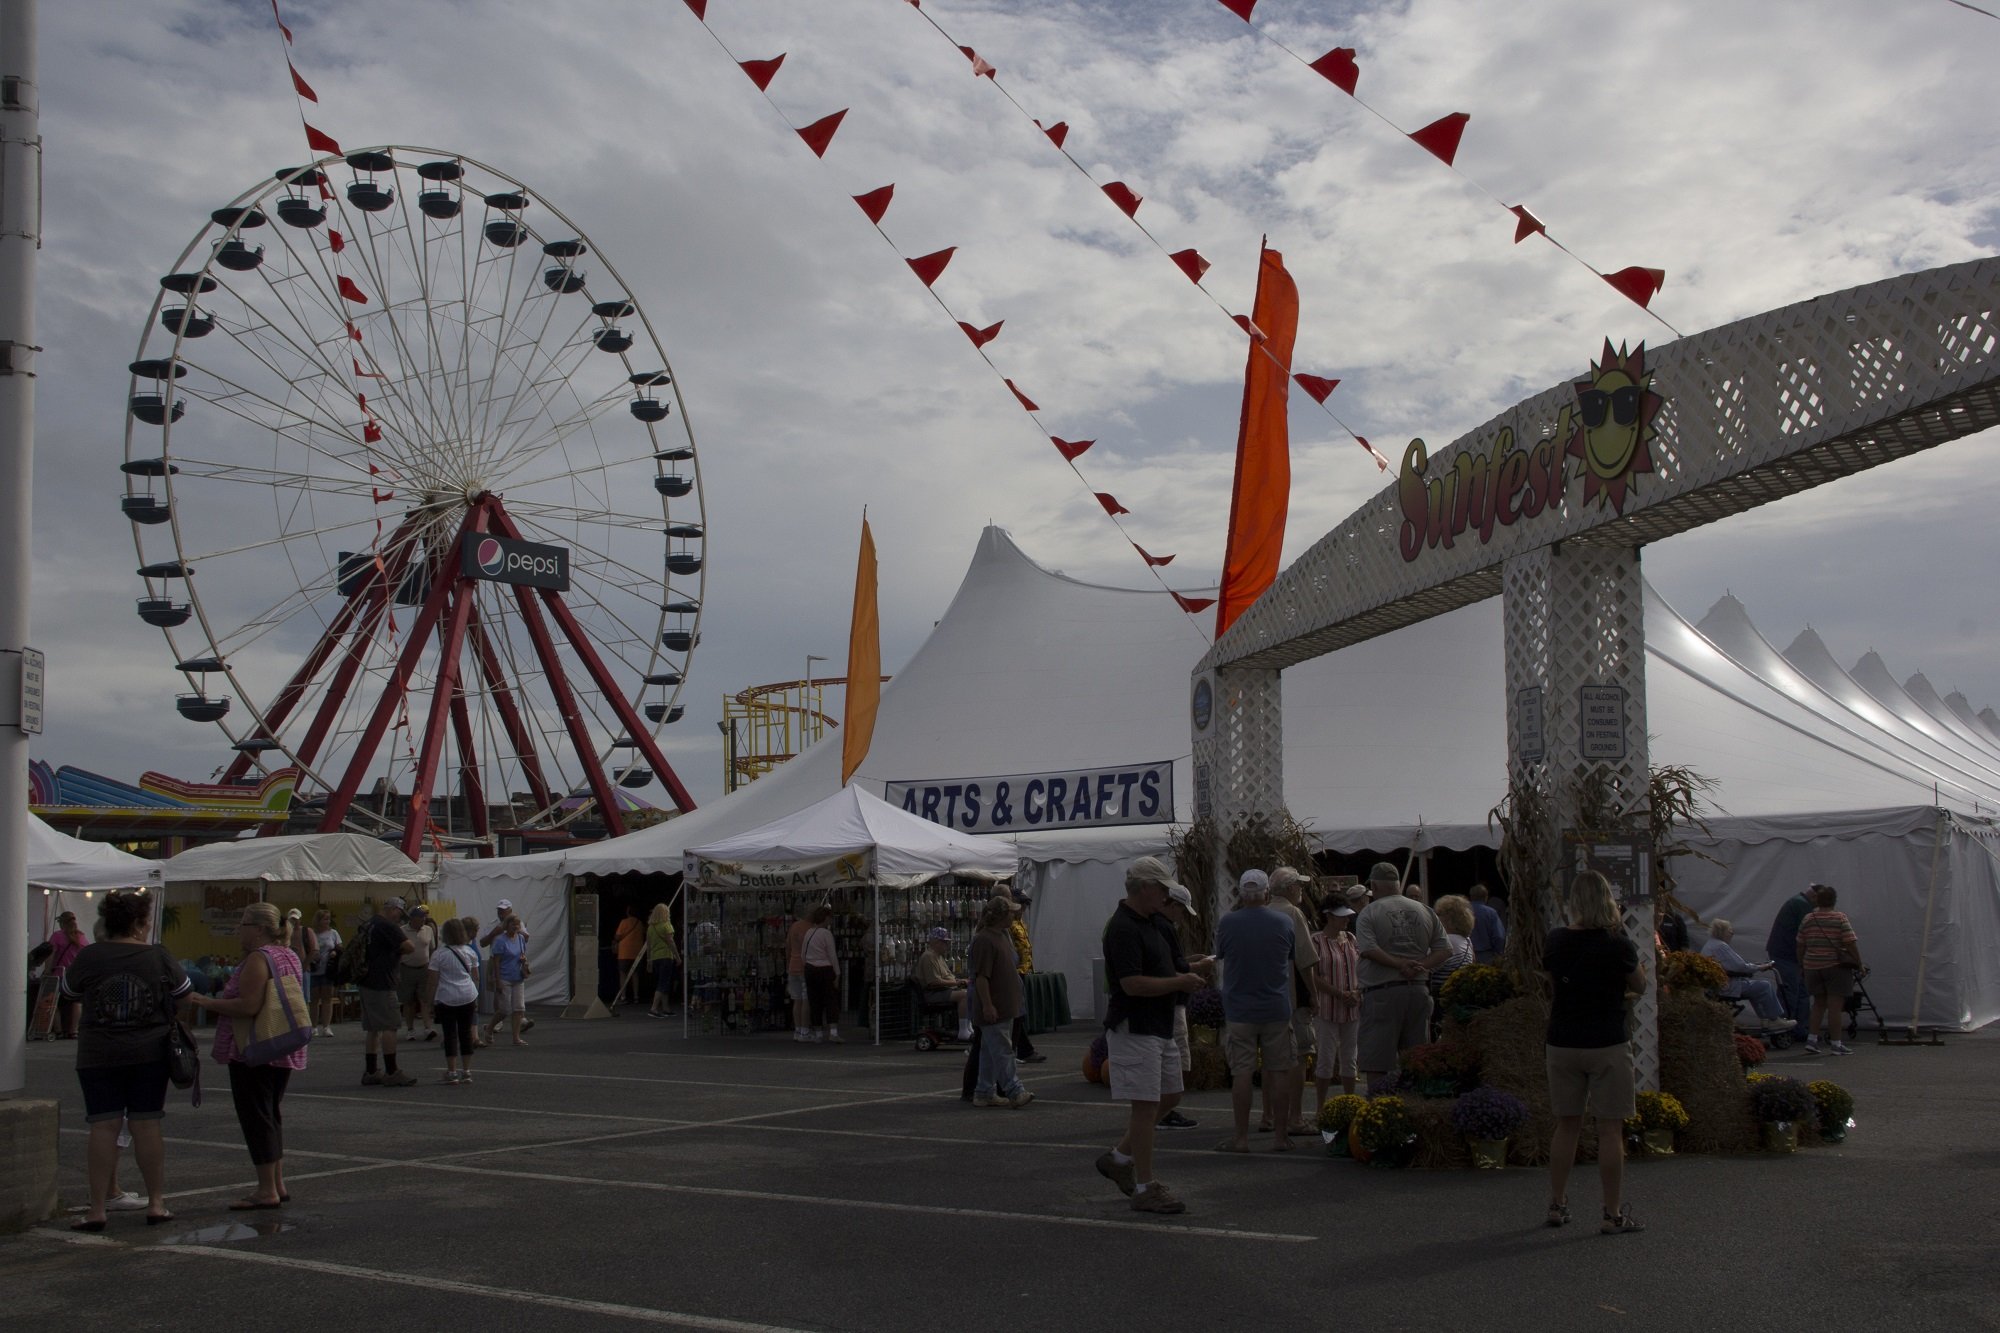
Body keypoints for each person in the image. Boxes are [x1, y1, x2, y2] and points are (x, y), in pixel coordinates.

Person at [58, 890, 188, 1229]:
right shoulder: (158, 956)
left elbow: (69, 993)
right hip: (149, 1052)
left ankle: (97, 1209)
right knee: (146, 1124)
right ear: (138, 923)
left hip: (98, 1052)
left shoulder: (90, 956)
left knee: (103, 1125)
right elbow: (183, 995)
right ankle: (156, 1204)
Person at [1095, 856, 1204, 1215]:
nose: (1165, 897)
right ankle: (1144, 1185)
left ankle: (1119, 1157)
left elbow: (1168, 964)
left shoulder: (1155, 922)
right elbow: (1131, 984)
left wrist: (1185, 970)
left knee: (1170, 1095)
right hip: (1135, 1026)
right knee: (1144, 1107)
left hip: (1158, 1024)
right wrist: (1180, 981)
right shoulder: (1123, 928)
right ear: (1144, 888)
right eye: (1161, 890)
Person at [184, 902, 310, 1211]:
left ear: (257, 929)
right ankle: (277, 1183)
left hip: (255, 1044)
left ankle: (266, 1188)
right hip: (283, 1044)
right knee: (270, 1112)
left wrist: (206, 1002)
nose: (239, 931)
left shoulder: (259, 958)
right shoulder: (288, 954)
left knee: (256, 1116)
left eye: (243, 924)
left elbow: (249, 1006)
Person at [1543, 869, 1646, 1236]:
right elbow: (1640, 985)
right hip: (1606, 1039)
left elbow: (1554, 988)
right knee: (1609, 1129)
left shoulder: (1555, 941)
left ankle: (1557, 1202)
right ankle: (1612, 1212)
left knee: (1566, 1124)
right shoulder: (1617, 943)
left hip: (1563, 1039)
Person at [1214, 869, 1300, 1154]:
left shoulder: (1228, 923)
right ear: (1266, 893)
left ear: (1241, 893)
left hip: (1240, 1009)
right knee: (1279, 1071)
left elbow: (1221, 955)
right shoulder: (1284, 921)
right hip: (1275, 1006)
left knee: (1242, 1072)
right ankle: (1280, 1136)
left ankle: (1241, 1137)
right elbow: (1290, 957)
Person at [1354, 862, 1451, 1087]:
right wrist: (1421, 965)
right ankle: (1415, 1107)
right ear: (1398, 884)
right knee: (1416, 1059)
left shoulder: (1370, 911)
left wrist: (1399, 964)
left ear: (1375, 885)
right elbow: (1445, 950)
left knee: (1378, 1061)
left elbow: (1368, 949)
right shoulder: (1425, 910)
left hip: (1382, 992)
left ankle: (1380, 1109)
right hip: (1418, 990)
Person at [1264, 867, 1320, 1135]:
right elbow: (1305, 958)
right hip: (1292, 994)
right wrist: (1313, 993)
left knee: (1270, 1057)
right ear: (1288, 888)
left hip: (1265, 996)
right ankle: (1295, 1117)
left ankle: (1268, 1115)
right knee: (1299, 1054)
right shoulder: (1293, 913)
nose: (1301, 890)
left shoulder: (1259, 913)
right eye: (1298, 885)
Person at [969, 897, 1034, 1108]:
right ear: (1000, 916)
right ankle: (1015, 1090)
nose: (1015, 915)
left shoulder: (1001, 936)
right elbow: (981, 977)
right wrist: (988, 1005)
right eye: (1010, 912)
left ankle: (984, 1091)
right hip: (994, 1007)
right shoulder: (984, 940)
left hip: (1004, 1006)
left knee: (989, 1052)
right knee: (1003, 1051)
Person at [1156, 882, 1206, 1131]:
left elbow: (1167, 964)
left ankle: (1163, 1110)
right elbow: (1169, 969)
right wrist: (1195, 968)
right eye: (1181, 910)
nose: (1182, 916)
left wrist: (1189, 962)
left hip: (1170, 1000)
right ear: (1172, 905)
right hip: (1172, 1001)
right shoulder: (1164, 928)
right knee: (1177, 1058)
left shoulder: (1157, 927)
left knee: (1173, 1056)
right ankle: (1164, 1110)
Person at [357, 897, 417, 1086]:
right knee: (390, 1026)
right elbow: (410, 946)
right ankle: (392, 1071)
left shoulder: (370, 924)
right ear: (392, 909)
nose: (400, 918)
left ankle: (371, 1070)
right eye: (400, 913)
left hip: (366, 980)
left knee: (373, 1028)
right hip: (383, 982)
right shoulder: (387, 926)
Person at [1798, 884, 1864, 1056]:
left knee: (1818, 1004)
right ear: (1834, 900)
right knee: (1835, 1006)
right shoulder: (1839, 918)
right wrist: (1859, 962)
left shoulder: (1808, 918)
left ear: (1817, 900)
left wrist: (1802, 963)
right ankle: (1836, 1043)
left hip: (1812, 966)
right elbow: (1849, 942)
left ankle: (1812, 1040)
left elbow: (1800, 943)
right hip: (1835, 967)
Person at [1699, 919, 1793, 1034]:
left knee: (1756, 989)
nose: (1732, 933)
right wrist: (1760, 967)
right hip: (1727, 986)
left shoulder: (1710, 945)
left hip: (1717, 986)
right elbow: (1739, 966)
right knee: (1764, 986)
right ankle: (1774, 1019)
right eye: (1729, 930)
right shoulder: (1721, 946)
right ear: (1721, 931)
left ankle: (1766, 1020)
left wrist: (1753, 967)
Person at [1311, 899, 1362, 1102]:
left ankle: (1350, 1102)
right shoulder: (1316, 941)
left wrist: (1356, 993)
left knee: (1350, 1058)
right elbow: (1313, 975)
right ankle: (1320, 1107)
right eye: (1342, 916)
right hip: (1327, 1007)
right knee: (1325, 1058)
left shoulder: (1351, 939)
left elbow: (1361, 969)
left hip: (1352, 1007)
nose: (1347, 920)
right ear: (1329, 916)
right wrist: (1339, 993)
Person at [428, 917, 481, 1083]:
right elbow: (476, 977)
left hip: (447, 996)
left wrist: (430, 1001)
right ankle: (466, 1071)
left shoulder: (439, 955)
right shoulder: (470, 952)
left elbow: (433, 980)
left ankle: (452, 1071)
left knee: (450, 1034)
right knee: (465, 1033)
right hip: (468, 994)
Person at [1764, 886, 1814, 1037]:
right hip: (1787, 955)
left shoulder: (1797, 902)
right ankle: (1784, 1028)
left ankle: (1796, 1028)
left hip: (1785, 954)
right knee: (1791, 992)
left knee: (1797, 991)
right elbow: (1807, 933)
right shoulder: (1802, 906)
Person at [1006, 890, 1046, 1064]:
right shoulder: (1009, 924)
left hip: (1022, 971)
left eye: (1026, 905)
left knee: (1019, 1013)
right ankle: (1021, 1050)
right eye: (1021, 904)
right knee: (1016, 1014)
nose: (1023, 908)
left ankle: (1021, 1049)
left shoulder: (1020, 923)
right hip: (1014, 972)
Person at [480, 901, 533, 1034]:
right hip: (496, 959)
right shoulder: (493, 924)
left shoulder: (517, 923)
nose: (501, 914)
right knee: (498, 991)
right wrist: (494, 933)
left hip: (514, 959)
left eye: (504, 911)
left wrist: (517, 929)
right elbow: (482, 943)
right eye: (499, 911)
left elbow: (526, 938)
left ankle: (520, 1020)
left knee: (517, 993)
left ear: (510, 911)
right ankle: (498, 1022)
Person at [916, 926, 973, 1040]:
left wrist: (960, 982)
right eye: (945, 943)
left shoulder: (938, 957)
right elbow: (933, 982)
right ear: (936, 942)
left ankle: (968, 1027)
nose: (947, 946)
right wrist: (957, 983)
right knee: (964, 995)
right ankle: (963, 1031)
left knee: (970, 992)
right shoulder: (928, 957)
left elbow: (946, 976)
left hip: (944, 990)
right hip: (933, 993)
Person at [801, 904, 842, 1044]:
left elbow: (803, 954)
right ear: (825, 918)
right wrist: (837, 973)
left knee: (815, 1001)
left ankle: (818, 1033)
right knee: (830, 1001)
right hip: (825, 969)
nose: (831, 920)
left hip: (810, 969)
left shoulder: (808, 932)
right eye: (830, 918)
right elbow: (832, 955)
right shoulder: (826, 934)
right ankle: (833, 1032)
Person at [398, 904, 439, 1043]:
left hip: (424, 968)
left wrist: (432, 967)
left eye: (424, 918)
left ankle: (428, 1027)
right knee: (408, 1001)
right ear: (412, 919)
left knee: (425, 999)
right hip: (407, 968)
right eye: (420, 918)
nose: (422, 921)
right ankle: (410, 1030)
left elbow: (432, 949)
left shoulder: (428, 930)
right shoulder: (402, 931)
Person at [48, 909, 89, 1039]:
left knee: (53, 1003)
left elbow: (50, 955)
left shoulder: (57, 936)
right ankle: (74, 1030)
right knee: (77, 1002)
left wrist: (48, 970)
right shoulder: (82, 937)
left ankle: (58, 1031)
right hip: (74, 975)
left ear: (62, 923)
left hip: (58, 974)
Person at [307, 908, 341, 1038]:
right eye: (325, 919)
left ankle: (326, 1026)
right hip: (315, 969)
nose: (327, 921)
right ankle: (313, 1026)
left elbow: (340, 948)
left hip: (328, 969)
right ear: (318, 920)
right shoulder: (312, 933)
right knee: (314, 999)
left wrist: (335, 952)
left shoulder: (333, 933)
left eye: (328, 919)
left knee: (327, 998)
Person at [646, 903, 681, 1018]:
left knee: (663, 982)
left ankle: (666, 1008)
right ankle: (654, 1008)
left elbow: (649, 946)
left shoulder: (650, 927)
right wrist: (677, 956)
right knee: (663, 983)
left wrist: (649, 961)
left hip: (655, 958)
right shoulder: (667, 925)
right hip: (666, 956)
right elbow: (671, 942)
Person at [461, 917, 490, 1047]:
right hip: (465, 981)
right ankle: (460, 1036)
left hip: (473, 980)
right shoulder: (461, 945)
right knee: (461, 1009)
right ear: (470, 930)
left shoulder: (472, 942)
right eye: (476, 929)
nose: (478, 932)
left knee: (473, 1008)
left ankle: (474, 1037)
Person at [785, 908, 813, 1042]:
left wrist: (788, 962)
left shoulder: (794, 926)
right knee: (806, 1000)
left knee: (796, 1000)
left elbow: (788, 946)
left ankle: (797, 1030)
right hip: (805, 966)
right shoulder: (811, 928)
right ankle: (805, 1030)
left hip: (793, 965)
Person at [1468, 884, 1507, 964]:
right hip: (1486, 956)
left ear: (1471, 896)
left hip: (1466, 954)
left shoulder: (1463, 912)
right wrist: (1499, 952)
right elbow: (1498, 936)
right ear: (1486, 897)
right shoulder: (1491, 913)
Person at [615, 903, 647, 1002]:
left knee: (623, 974)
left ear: (628, 912)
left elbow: (617, 937)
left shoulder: (623, 922)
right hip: (637, 952)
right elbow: (644, 934)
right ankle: (636, 996)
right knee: (635, 974)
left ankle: (623, 996)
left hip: (624, 952)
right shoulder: (640, 923)